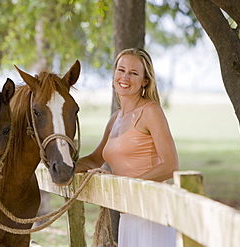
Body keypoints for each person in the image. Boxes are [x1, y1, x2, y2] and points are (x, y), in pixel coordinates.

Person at [76, 48, 179, 247]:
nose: (125, 77)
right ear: (114, 74)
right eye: (121, 70)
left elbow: (171, 165)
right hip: (128, 211)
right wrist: (64, 168)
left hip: (151, 210)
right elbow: (95, 159)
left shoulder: (151, 111)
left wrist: (124, 187)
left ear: (145, 81)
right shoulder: (116, 118)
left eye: (133, 73)